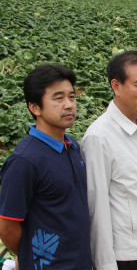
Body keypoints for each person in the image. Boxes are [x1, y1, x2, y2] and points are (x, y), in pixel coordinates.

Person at [80, 51, 137, 270]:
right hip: (130, 256)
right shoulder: (99, 137)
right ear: (116, 86)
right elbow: (97, 209)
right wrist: (105, 265)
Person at [0, 64, 92, 269]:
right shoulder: (25, 161)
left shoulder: (72, 147)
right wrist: (30, 255)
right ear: (34, 107)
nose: (69, 105)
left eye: (72, 96)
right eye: (58, 98)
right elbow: (7, 227)